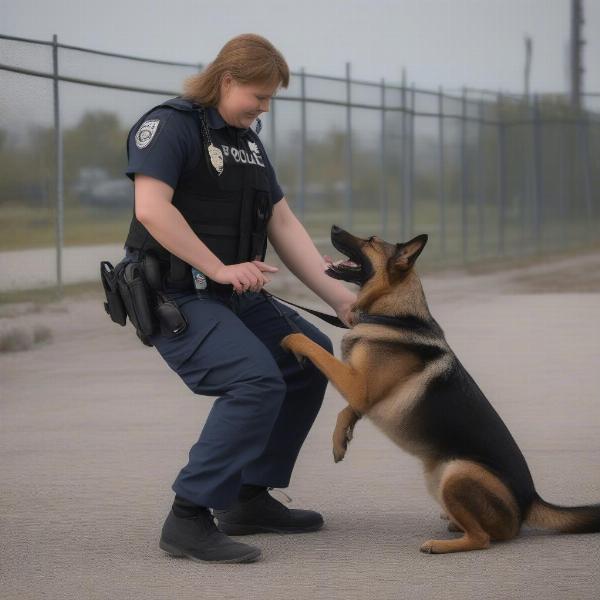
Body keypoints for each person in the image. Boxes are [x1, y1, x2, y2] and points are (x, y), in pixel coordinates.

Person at [121, 33, 357, 564]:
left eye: (270, 99)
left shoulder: (247, 139)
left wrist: (341, 300)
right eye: (260, 95)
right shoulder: (170, 126)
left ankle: (249, 498)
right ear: (227, 80)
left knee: (307, 357)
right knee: (253, 378)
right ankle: (187, 517)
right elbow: (151, 209)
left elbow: (282, 221)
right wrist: (220, 268)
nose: (264, 108)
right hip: (176, 293)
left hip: (229, 292)